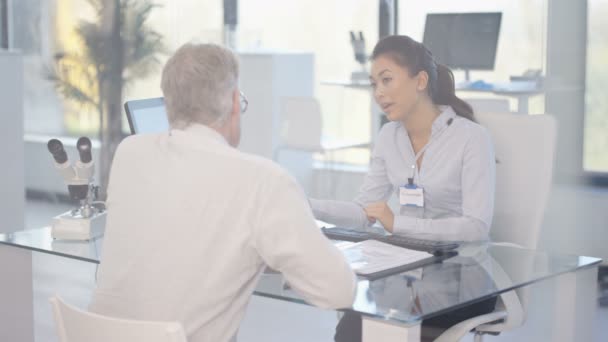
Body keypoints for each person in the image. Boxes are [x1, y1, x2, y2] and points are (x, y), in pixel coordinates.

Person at [89, 43, 356, 342]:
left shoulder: (129, 152)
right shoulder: (264, 180)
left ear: (168, 104)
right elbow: (340, 290)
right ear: (232, 102)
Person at [309, 35, 497, 341]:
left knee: (393, 332)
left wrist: (398, 223)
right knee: (351, 332)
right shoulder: (388, 136)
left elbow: (476, 227)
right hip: (406, 270)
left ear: (420, 80)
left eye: (386, 80)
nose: (379, 93)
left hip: (463, 277)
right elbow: (363, 211)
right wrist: (307, 204)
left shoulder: (471, 139)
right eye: (374, 84)